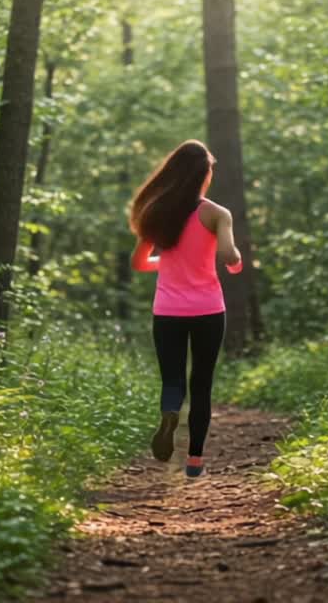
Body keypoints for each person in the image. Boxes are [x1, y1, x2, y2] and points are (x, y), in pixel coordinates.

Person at [129, 140, 243, 479]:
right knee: (202, 383)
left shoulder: (158, 211)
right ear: (205, 174)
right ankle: (194, 463)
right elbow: (229, 257)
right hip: (208, 309)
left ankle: (169, 413)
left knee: (173, 378)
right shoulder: (217, 214)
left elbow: (138, 262)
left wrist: (167, 263)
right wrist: (236, 262)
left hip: (168, 311)